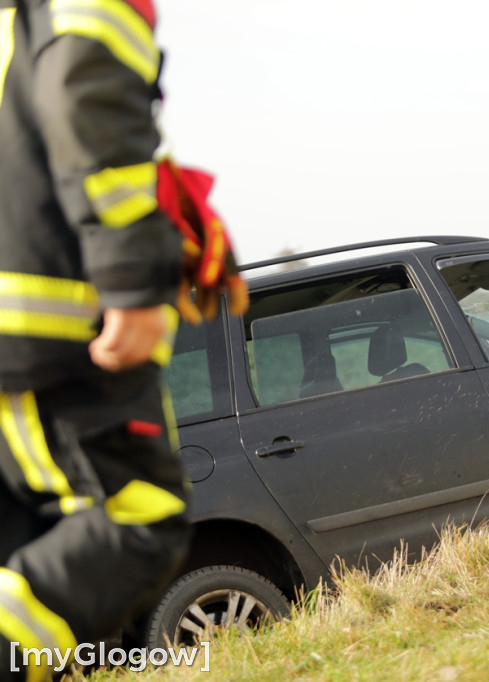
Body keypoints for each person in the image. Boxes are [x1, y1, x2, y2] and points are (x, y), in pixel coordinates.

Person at [0, 2, 244, 679]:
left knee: (41, 550)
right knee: (140, 518)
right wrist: (134, 277)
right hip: (54, 344)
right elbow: (88, 97)